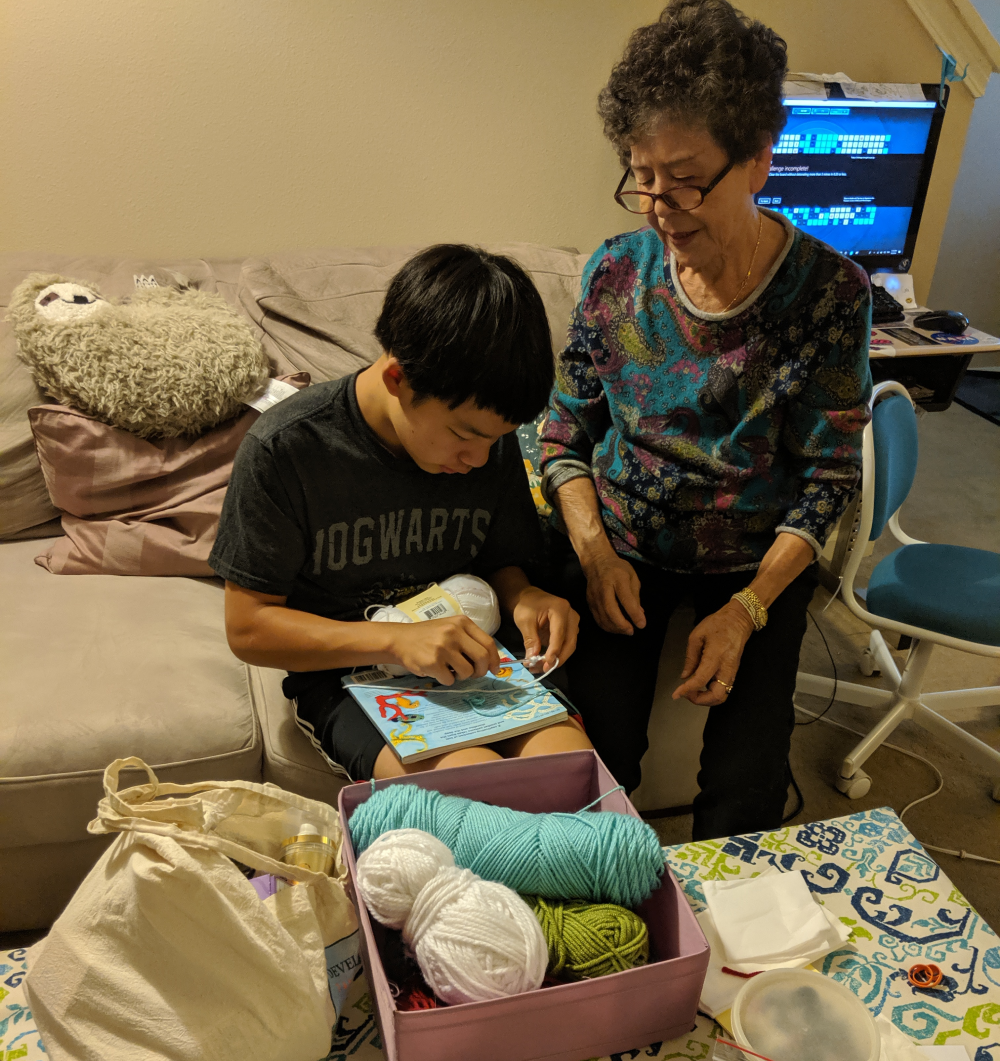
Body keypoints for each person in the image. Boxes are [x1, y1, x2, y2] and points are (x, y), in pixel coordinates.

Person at [539, 0, 873, 839]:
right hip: (623, 543)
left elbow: (830, 474)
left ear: (759, 159)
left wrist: (751, 610)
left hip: (753, 561)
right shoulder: (617, 274)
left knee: (748, 782)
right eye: (641, 175)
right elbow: (564, 430)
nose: (658, 204)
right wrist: (592, 550)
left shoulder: (830, 296)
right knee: (593, 758)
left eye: (685, 177)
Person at [211, 244, 590, 781]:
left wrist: (525, 596)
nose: (479, 459)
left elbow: (503, 562)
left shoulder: (487, 446)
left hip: (482, 658)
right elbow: (248, 628)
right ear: (398, 379)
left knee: (568, 775)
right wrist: (396, 640)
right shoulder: (287, 449)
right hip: (353, 674)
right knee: (471, 788)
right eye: (464, 435)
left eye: (496, 440)